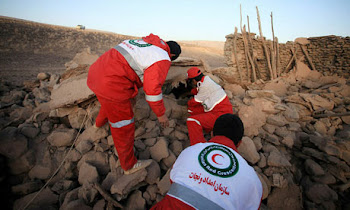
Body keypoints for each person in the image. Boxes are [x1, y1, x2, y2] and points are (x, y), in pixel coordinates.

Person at [87, 33, 181, 174]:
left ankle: (97, 125)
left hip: (96, 73)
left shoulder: (145, 43)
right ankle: (129, 166)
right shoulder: (162, 57)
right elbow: (152, 92)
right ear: (171, 55)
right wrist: (161, 115)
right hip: (112, 83)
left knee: (107, 102)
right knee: (123, 125)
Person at [151, 113, 263, 210]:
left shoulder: (190, 151)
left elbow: (173, 180)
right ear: (239, 143)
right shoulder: (252, 179)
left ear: (212, 133)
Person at [186, 67, 233, 145]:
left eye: (191, 82)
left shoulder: (204, 87)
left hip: (221, 114)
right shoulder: (206, 80)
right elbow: (198, 90)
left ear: (194, 80)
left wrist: (187, 102)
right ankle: (209, 128)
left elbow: (195, 101)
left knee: (192, 120)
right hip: (218, 108)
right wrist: (192, 92)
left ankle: (198, 146)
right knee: (191, 110)